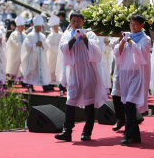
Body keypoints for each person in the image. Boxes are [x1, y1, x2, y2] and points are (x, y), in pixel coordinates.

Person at [54, 11, 108, 142]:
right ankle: (67, 131)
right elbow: (63, 49)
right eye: (73, 21)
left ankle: (87, 132)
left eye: (78, 21)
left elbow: (96, 52)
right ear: (70, 23)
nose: (76, 24)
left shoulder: (90, 34)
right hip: (73, 71)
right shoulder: (67, 34)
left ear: (83, 22)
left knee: (89, 102)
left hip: (88, 71)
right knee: (70, 101)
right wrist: (73, 39)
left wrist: (84, 38)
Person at [114, 13, 151, 144]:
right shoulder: (125, 36)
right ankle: (134, 135)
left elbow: (141, 54)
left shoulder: (145, 39)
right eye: (131, 24)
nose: (133, 26)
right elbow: (117, 53)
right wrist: (123, 41)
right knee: (127, 105)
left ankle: (128, 134)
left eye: (136, 24)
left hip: (138, 74)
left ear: (142, 25)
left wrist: (129, 40)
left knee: (130, 103)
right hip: (126, 73)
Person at [20, 15, 51, 92]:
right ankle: (29, 85)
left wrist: (42, 45)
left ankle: (44, 85)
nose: (39, 29)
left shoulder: (43, 36)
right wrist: (35, 45)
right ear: (34, 26)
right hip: (32, 56)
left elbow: (47, 47)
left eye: (40, 27)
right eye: (38, 27)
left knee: (42, 70)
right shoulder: (30, 36)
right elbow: (26, 47)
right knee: (31, 69)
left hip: (41, 57)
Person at [6, 16, 26, 86]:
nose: (23, 27)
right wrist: (21, 44)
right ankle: (10, 81)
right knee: (13, 67)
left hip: (22, 54)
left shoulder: (24, 34)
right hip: (15, 54)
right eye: (21, 26)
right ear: (18, 26)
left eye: (23, 26)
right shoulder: (14, 34)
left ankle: (22, 81)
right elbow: (14, 43)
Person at [46, 15, 63, 86]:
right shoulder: (50, 35)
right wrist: (57, 47)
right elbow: (48, 45)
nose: (56, 27)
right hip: (52, 55)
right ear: (52, 27)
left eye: (57, 25)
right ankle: (51, 81)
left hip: (60, 55)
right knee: (52, 67)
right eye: (54, 26)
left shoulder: (62, 34)